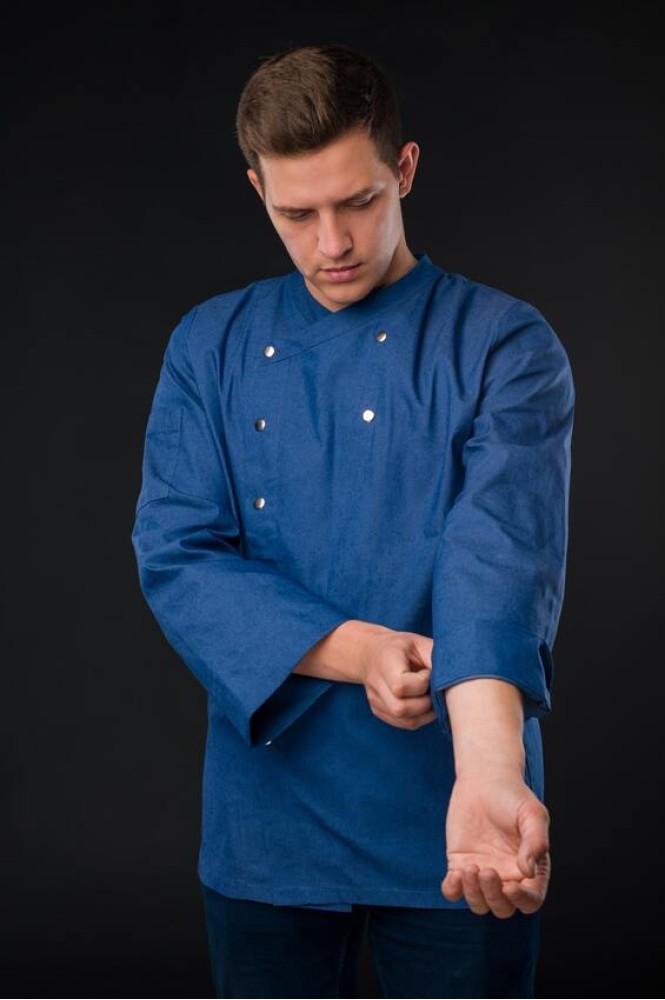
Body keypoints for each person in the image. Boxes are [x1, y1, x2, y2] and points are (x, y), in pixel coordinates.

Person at [130, 43, 575, 999]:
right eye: (297, 214)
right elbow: (178, 556)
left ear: (403, 170)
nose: (331, 241)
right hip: (267, 821)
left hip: (457, 815)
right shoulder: (209, 344)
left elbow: (497, 563)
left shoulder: (502, 343)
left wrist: (489, 777)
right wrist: (361, 651)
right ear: (258, 191)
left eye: (358, 202)